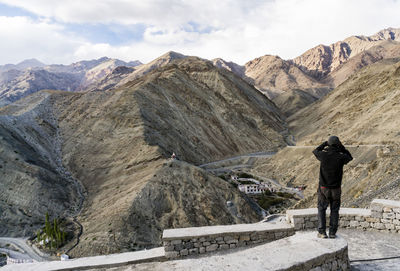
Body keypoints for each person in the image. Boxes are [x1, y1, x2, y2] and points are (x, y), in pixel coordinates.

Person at [312, 136, 353, 239]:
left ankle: (322, 232)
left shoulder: (323, 155)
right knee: (334, 210)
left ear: (329, 144)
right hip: (336, 189)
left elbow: (315, 150)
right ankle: (332, 233)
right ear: (338, 144)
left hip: (323, 189)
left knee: (321, 209)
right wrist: (341, 147)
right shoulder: (341, 157)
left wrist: (324, 143)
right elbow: (350, 157)